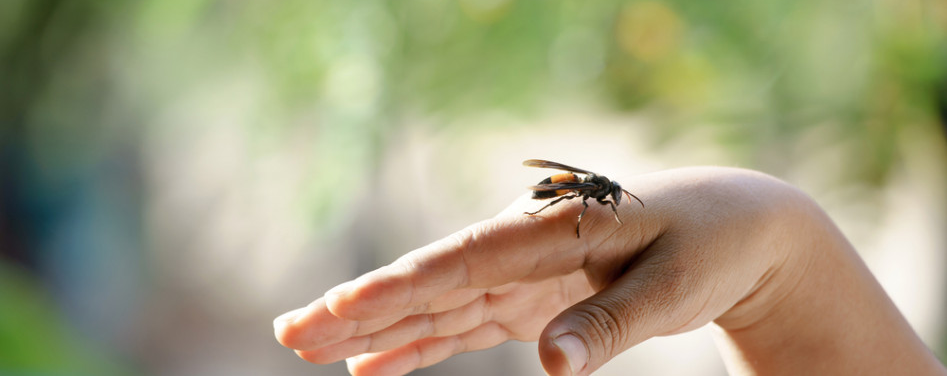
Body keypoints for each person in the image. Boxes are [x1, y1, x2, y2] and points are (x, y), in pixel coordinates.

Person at [273, 166, 947, 375]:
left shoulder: (604, 197)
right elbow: (574, 196)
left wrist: (778, 240)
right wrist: (778, 238)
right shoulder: (588, 196)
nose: (610, 205)